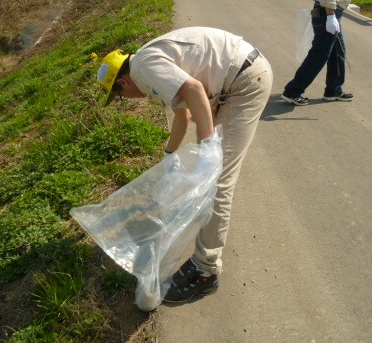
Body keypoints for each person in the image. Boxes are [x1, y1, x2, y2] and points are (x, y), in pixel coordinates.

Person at [96, 26, 272, 302]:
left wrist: (209, 145)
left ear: (124, 83)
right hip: (232, 81)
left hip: (244, 82)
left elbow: (194, 89)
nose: (126, 101)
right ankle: (205, 256)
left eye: (119, 97)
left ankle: (205, 271)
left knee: (216, 181)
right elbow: (182, 114)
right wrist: (169, 156)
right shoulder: (148, 68)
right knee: (207, 175)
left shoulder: (143, 68)